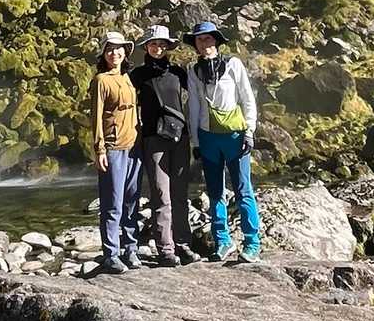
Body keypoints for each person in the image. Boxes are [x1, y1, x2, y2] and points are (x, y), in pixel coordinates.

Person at [185, 19, 261, 262]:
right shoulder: (193, 71)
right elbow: (194, 107)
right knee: (215, 191)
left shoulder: (233, 64)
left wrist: (249, 130)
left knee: (243, 189)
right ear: (195, 44)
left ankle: (252, 243)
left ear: (216, 40)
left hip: (235, 136)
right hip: (208, 137)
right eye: (199, 40)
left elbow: (247, 98)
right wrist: (195, 142)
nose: (204, 43)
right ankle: (222, 241)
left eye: (208, 38)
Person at [130, 24, 201, 267]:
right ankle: (165, 249)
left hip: (180, 137)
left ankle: (183, 244)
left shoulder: (178, 72)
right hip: (153, 138)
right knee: (161, 194)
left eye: (162, 44)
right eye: (153, 44)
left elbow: (198, 97)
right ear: (146, 47)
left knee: (180, 193)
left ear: (168, 46)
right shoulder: (137, 75)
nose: (158, 48)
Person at [88, 31, 141, 274]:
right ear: (103, 54)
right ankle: (111, 253)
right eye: (109, 49)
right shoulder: (101, 80)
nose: (114, 53)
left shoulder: (127, 77)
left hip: (134, 147)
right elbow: (96, 116)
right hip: (113, 147)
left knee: (131, 200)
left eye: (119, 48)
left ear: (125, 52)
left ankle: (131, 248)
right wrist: (99, 149)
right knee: (113, 203)